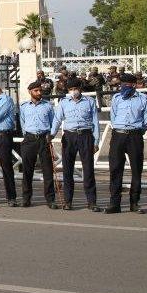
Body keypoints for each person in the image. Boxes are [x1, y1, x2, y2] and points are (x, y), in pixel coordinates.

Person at [50, 78, 100, 211]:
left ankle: (92, 202)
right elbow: (57, 119)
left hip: (85, 135)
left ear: (80, 89)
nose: (73, 92)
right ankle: (68, 201)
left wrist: (96, 141)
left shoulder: (89, 101)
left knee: (88, 169)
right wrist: (51, 134)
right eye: (70, 90)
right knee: (67, 170)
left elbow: (95, 122)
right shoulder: (63, 102)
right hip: (69, 136)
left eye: (75, 89)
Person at [105, 73, 147, 214]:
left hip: (135, 136)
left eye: (127, 84)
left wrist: (136, 132)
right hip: (118, 135)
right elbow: (113, 117)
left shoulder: (143, 99)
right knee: (115, 169)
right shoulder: (117, 98)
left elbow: (146, 121)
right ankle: (114, 203)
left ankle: (134, 202)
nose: (124, 86)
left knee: (136, 169)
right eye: (122, 84)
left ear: (134, 85)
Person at [18, 81, 58, 209]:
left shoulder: (48, 106)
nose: (39, 93)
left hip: (43, 139)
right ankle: (26, 198)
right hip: (29, 139)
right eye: (36, 91)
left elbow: (54, 122)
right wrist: (27, 135)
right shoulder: (24, 106)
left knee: (48, 170)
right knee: (27, 170)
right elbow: (22, 122)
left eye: (40, 90)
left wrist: (50, 135)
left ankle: (50, 199)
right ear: (30, 92)